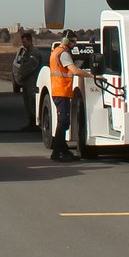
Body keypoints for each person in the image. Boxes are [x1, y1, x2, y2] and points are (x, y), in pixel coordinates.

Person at [48, 32, 91, 162]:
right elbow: (75, 71)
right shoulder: (64, 54)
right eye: (73, 42)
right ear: (67, 41)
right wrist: (93, 76)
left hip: (58, 90)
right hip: (62, 91)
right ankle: (58, 151)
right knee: (63, 122)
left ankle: (61, 149)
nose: (74, 45)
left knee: (63, 121)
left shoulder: (56, 51)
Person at [12, 33, 43, 131]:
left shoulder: (34, 53)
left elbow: (31, 66)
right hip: (26, 82)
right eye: (22, 42)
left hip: (32, 82)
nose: (23, 44)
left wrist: (22, 75)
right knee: (27, 103)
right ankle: (31, 122)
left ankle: (36, 124)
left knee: (32, 102)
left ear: (30, 41)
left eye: (25, 42)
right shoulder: (26, 52)